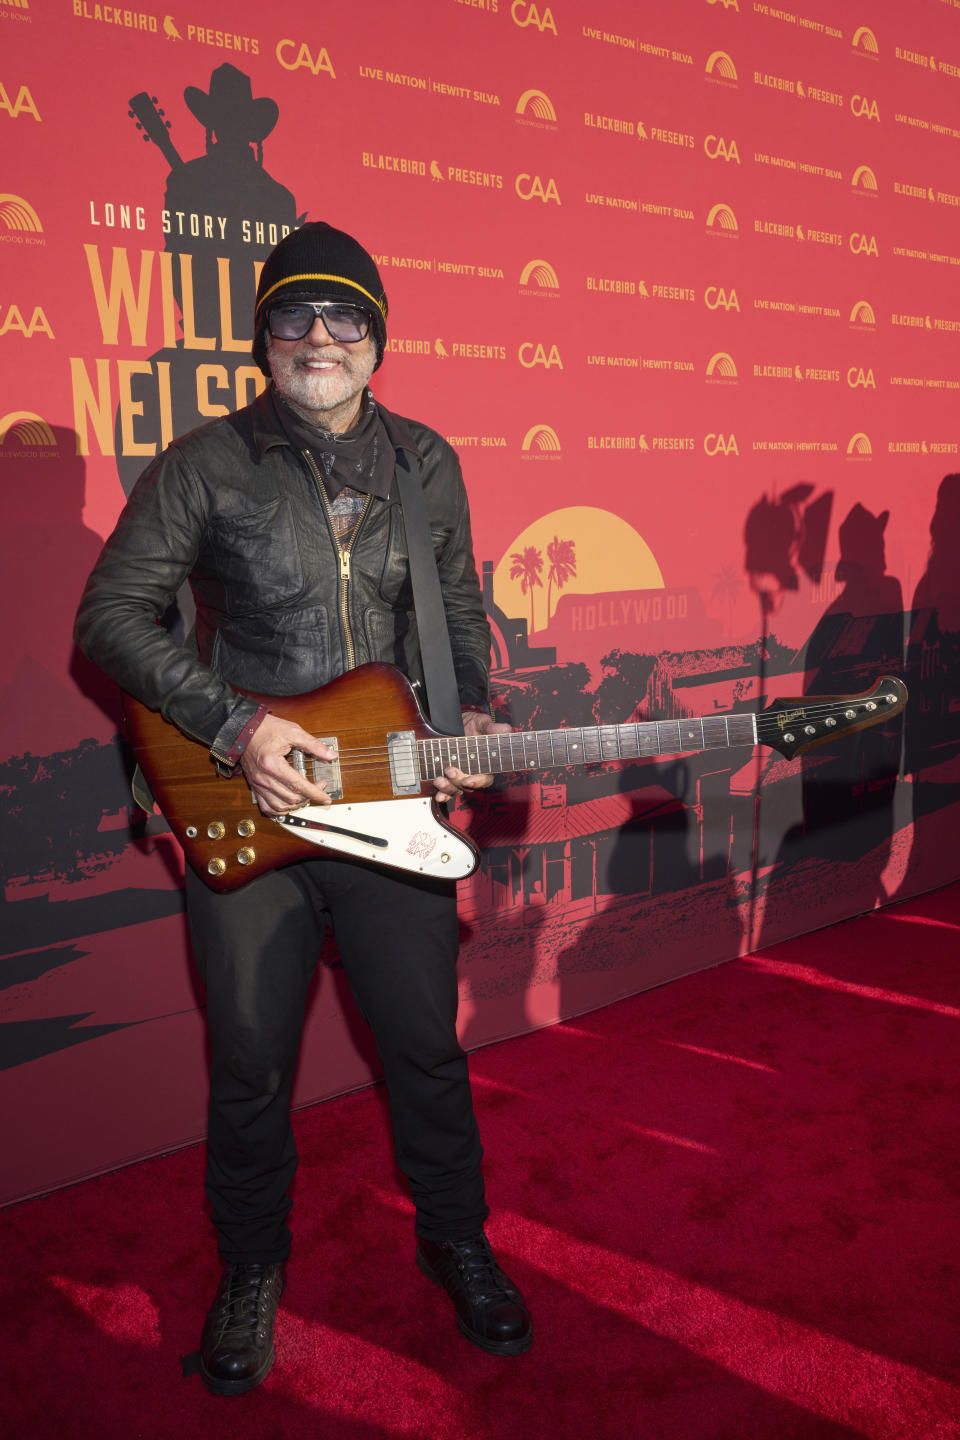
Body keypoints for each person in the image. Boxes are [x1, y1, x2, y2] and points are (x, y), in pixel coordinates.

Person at [75, 222, 533, 1395]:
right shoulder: (205, 462)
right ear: (263, 337)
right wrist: (237, 723)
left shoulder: (427, 461)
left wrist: (468, 712)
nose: (320, 338)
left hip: (391, 805)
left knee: (426, 1045)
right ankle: (250, 1269)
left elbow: (462, 611)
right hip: (246, 806)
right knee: (249, 1064)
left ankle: (455, 1238)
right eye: (295, 316)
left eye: (345, 318)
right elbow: (112, 618)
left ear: (379, 340)